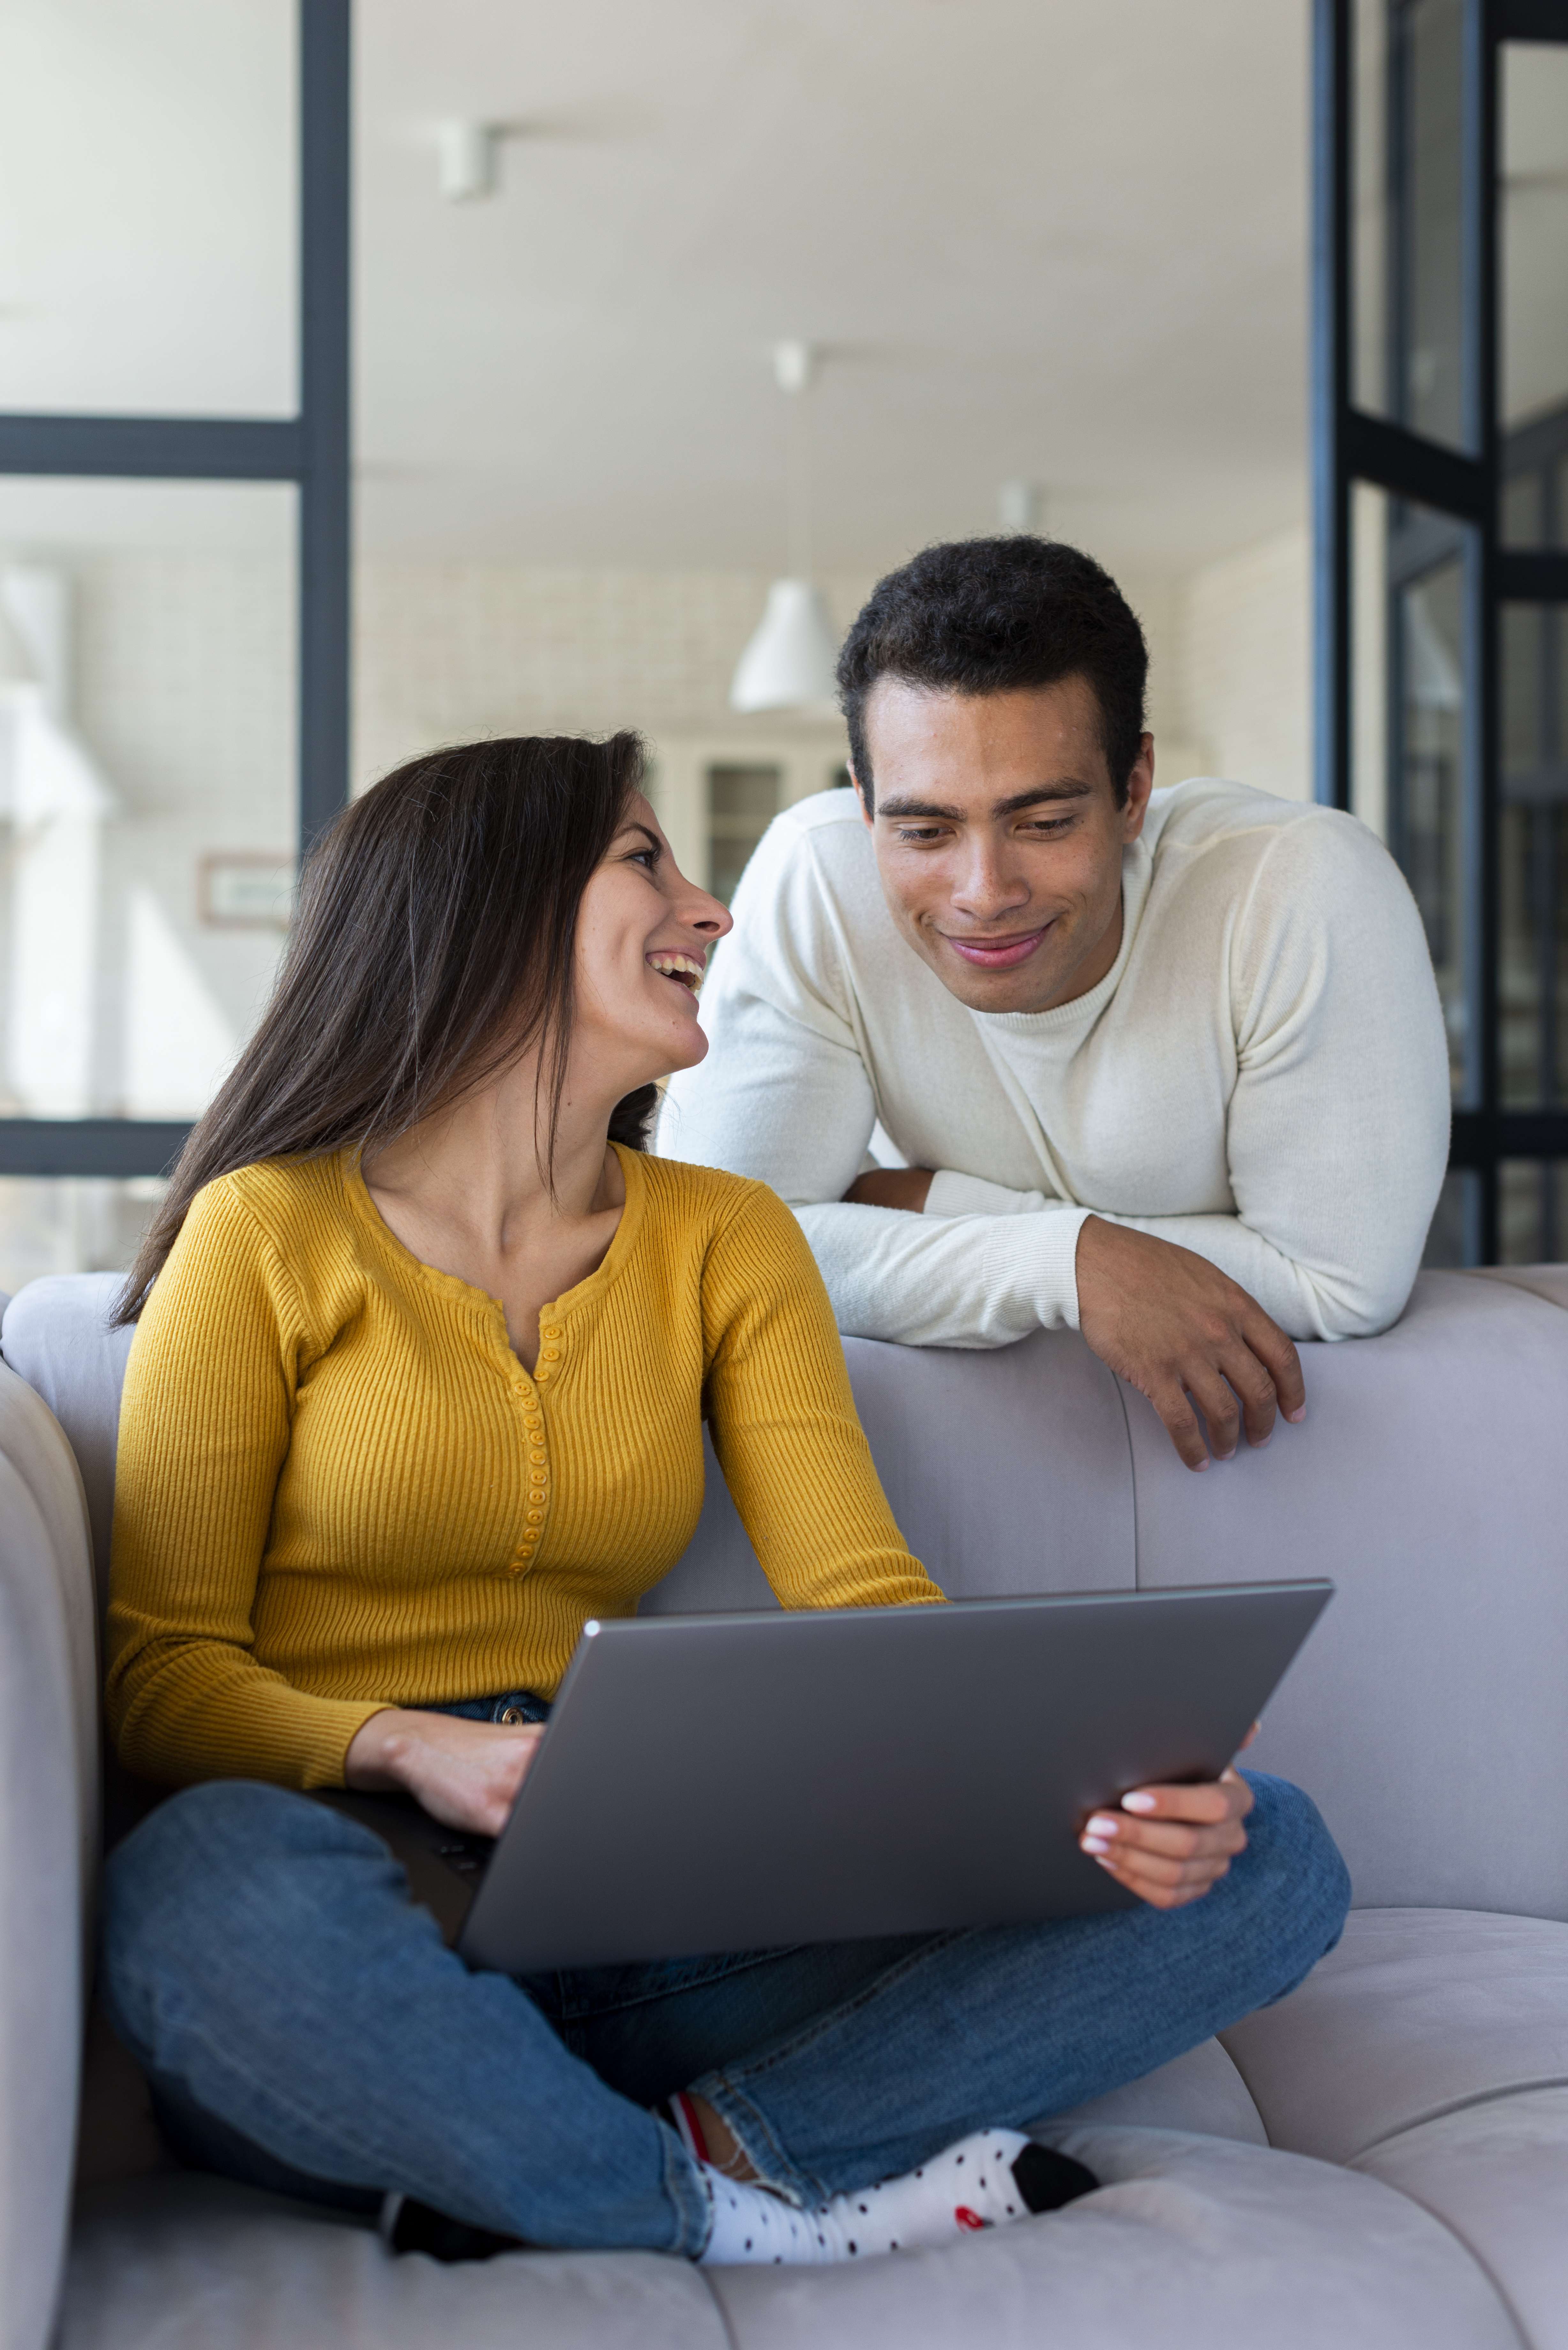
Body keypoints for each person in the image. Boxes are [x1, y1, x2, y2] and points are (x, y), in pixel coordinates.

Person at [99, 733, 1350, 2267]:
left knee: (1264, 1855)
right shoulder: (265, 1233)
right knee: (200, 1889)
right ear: (485, 902)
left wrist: (1062, 1779)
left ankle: (653, 2171)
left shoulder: (727, 1236)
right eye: (645, 861)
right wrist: (417, 1750)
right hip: (359, 1901)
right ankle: (744, 2200)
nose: (711, 912)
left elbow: (861, 1592)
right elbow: (159, 1676)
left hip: (645, 1898)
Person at [658, 537, 1451, 1471]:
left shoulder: (1298, 888)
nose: (984, 892)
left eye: (1043, 823)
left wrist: (939, 1204)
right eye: (923, 830)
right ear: (864, 808)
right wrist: (1066, 1263)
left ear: (1135, 791)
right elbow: (720, 1255)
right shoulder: (817, 879)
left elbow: (1337, 1285)